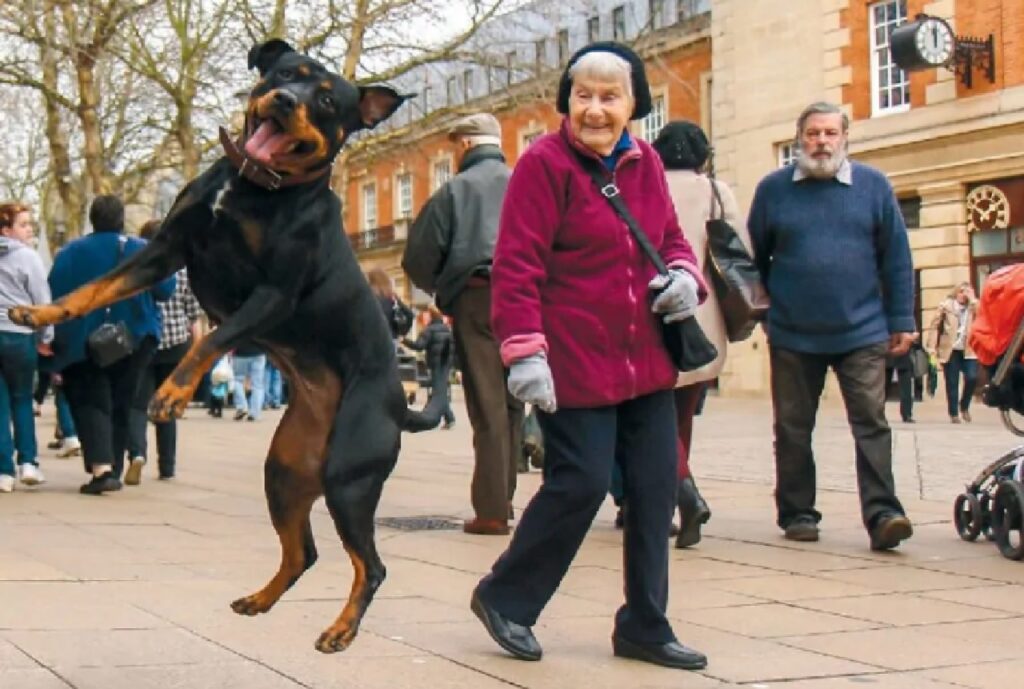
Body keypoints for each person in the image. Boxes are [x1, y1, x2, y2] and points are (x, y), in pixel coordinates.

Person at [470, 42, 708, 671]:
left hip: (647, 362)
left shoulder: (647, 161)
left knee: (657, 490)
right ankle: (506, 597)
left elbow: (672, 240)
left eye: (611, 96)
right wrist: (524, 352)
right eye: (584, 95)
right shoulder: (543, 164)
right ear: (566, 100)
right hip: (573, 362)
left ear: (634, 105)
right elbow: (517, 265)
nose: (596, 109)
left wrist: (685, 277)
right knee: (578, 483)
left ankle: (645, 625)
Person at [748, 102, 915, 551]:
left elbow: (896, 258)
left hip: (862, 329)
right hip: (793, 333)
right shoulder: (773, 191)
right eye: (812, 134)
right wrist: (765, 314)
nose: (821, 142)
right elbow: (753, 262)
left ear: (845, 138)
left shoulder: (874, 186)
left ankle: (884, 513)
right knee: (792, 427)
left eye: (830, 133)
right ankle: (798, 512)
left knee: (871, 422)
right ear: (799, 139)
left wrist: (902, 319)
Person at [403, 112, 525, 536]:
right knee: (514, 399)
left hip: (477, 295)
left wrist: (445, 288)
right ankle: (504, 496)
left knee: (487, 401)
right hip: (527, 296)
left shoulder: (454, 191)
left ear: (468, 146)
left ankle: (491, 510)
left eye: (457, 146)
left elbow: (417, 257)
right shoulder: (525, 183)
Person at [653, 119, 749, 548]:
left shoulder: (645, 186)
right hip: (703, 314)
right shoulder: (716, 191)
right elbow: (736, 253)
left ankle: (681, 492)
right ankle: (678, 490)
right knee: (682, 415)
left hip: (655, 310)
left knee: (652, 418)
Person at [47, 195, 175, 495]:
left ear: (92, 218)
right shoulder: (141, 250)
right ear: (122, 219)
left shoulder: (71, 252)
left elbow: (53, 292)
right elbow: (165, 290)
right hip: (135, 337)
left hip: (84, 340)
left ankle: (101, 467)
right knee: (122, 400)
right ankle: (114, 465)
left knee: (92, 401)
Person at [129, 219, 203, 481]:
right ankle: (167, 466)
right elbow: (193, 313)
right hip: (175, 344)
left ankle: (137, 453)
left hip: (144, 341)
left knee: (137, 404)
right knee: (166, 406)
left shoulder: (137, 267)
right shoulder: (181, 270)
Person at [0, 202, 52, 492]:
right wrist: (46, 337)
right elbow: (41, 301)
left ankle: (3, 471)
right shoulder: (28, 258)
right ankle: (28, 462)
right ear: (6, 230)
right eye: (23, 224)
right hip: (19, 334)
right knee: (22, 398)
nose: (29, 229)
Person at [925, 282, 979, 424]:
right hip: (950, 349)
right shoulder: (946, 306)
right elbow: (934, 326)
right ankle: (954, 413)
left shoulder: (973, 307)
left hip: (969, 349)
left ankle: (964, 406)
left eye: (966, 291)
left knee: (972, 377)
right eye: (961, 291)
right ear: (956, 292)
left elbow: (984, 315)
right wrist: (932, 348)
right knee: (952, 382)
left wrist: (973, 299)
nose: (963, 294)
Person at [402, 304, 455, 429]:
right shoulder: (446, 329)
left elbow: (419, 346)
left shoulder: (429, 330)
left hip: (435, 364)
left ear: (430, 315)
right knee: (440, 390)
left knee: (438, 391)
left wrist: (404, 340)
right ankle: (449, 418)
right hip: (446, 363)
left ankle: (446, 418)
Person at [367, 268, 413, 348]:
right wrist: (402, 333)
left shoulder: (368, 296)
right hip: (391, 339)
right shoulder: (392, 297)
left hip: (373, 340)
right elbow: (410, 314)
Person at [231, 344, 267, 421]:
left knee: (237, 380)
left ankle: (242, 406)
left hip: (240, 353)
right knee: (258, 385)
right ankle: (254, 413)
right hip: (259, 352)